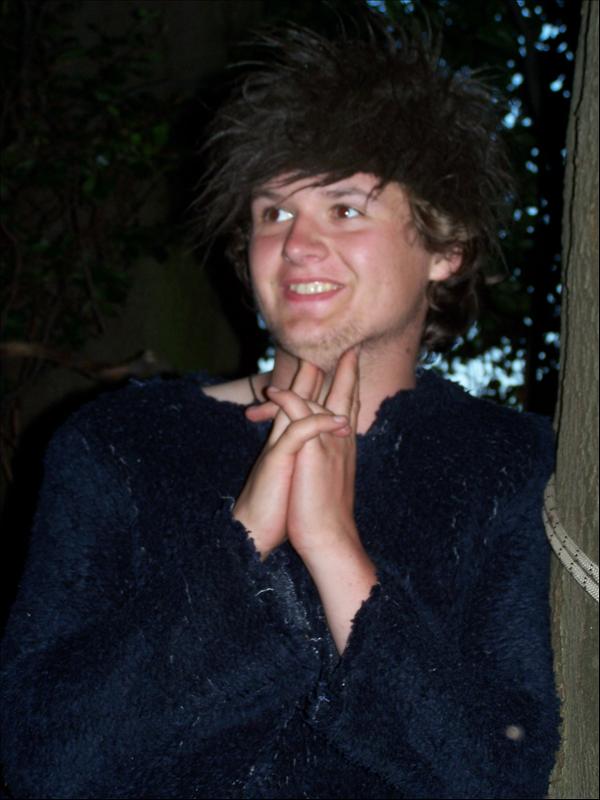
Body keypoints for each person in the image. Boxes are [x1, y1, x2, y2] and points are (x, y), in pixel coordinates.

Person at [1, 16, 560, 800]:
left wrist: (335, 551)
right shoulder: (119, 444)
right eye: (272, 212)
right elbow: (43, 763)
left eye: (345, 208)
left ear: (446, 245)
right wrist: (243, 540)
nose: (296, 244)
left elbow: (503, 771)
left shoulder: (509, 464)